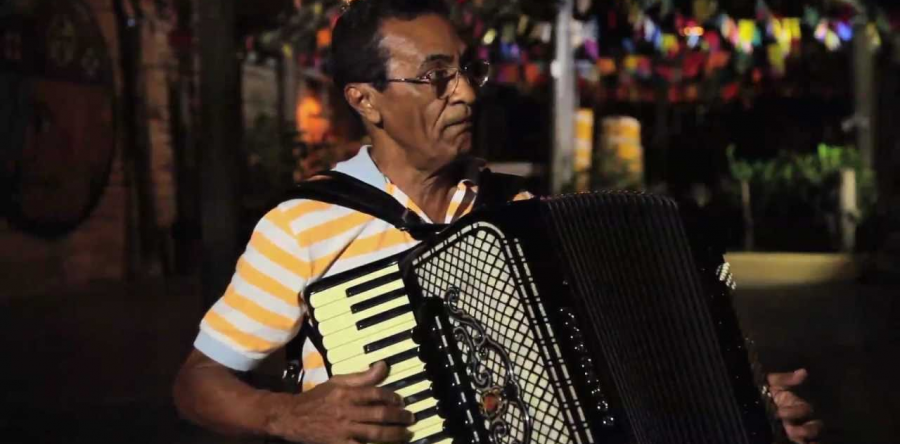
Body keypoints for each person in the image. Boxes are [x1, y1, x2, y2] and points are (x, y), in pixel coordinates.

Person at [172, 1, 823, 443]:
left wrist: (737, 402)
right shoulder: (304, 226)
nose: (467, 92)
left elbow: (613, 362)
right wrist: (288, 416)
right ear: (365, 100)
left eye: (468, 71)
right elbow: (197, 383)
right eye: (436, 77)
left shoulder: (516, 215)